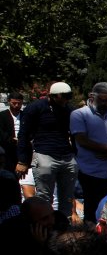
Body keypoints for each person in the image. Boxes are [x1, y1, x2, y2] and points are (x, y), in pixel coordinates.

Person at [16, 82, 79, 224]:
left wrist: (76, 153)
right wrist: (22, 160)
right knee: (44, 197)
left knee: (67, 198)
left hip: (67, 156)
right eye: (63, 97)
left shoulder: (69, 109)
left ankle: (63, 230)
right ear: (54, 95)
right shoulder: (35, 108)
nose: (66, 100)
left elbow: (75, 134)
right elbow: (24, 135)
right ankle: (43, 228)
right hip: (44, 154)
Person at [70, 82, 107, 217]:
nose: (106, 104)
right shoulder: (79, 114)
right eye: (102, 100)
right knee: (92, 210)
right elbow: (81, 139)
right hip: (90, 171)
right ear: (92, 96)